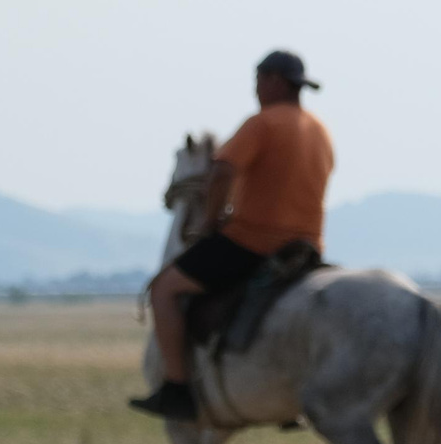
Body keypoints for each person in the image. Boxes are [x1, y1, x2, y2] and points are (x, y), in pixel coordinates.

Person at [130, 50, 336, 422]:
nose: (255, 88)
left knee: (163, 289)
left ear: (273, 80)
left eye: (258, 79)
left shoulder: (261, 124)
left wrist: (211, 223)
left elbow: (223, 170)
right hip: (307, 248)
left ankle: (176, 388)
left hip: (252, 243)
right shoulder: (320, 130)